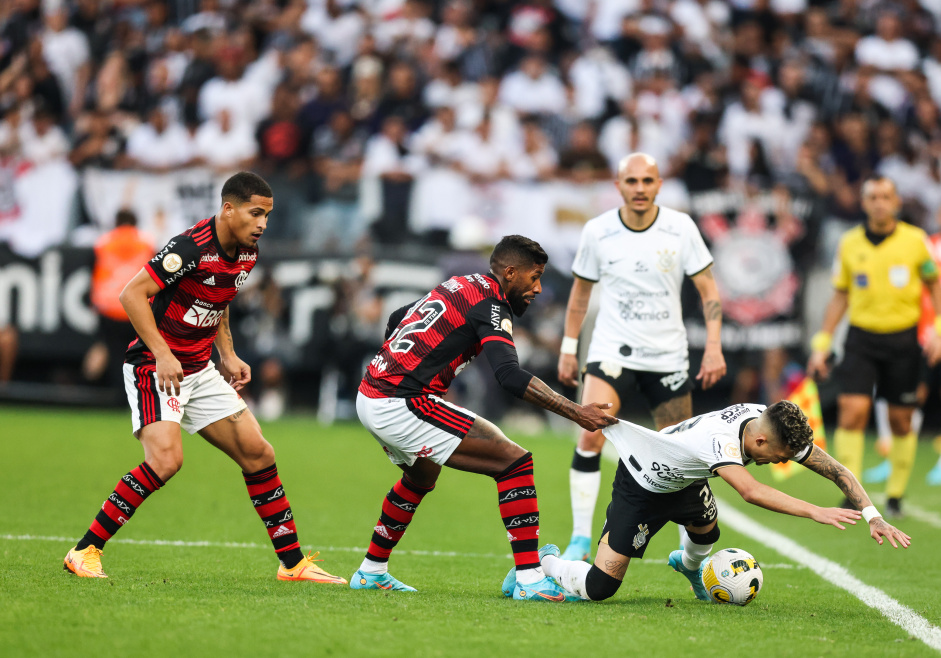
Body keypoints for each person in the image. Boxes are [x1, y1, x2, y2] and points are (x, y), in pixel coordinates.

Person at [63, 172, 346, 585]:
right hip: (154, 367)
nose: (262, 223)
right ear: (228, 209)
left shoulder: (247, 252)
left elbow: (219, 299)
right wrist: (162, 353)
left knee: (259, 453)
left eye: (267, 215)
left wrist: (227, 354)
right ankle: (84, 550)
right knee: (166, 461)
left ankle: (293, 564)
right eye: (255, 213)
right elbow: (130, 294)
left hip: (199, 368)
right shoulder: (189, 247)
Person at [353, 235, 618, 600]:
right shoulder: (491, 304)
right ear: (510, 273)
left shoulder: (460, 284)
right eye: (534, 277)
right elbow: (508, 376)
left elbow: (400, 317)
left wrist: (404, 366)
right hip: (401, 401)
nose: (538, 288)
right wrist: (575, 411)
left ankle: (371, 571)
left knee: (421, 474)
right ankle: (529, 578)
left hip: (373, 391)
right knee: (515, 463)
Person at [503, 400, 910, 603]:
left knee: (706, 529)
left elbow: (835, 468)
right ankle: (545, 562)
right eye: (781, 457)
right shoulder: (720, 442)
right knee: (599, 588)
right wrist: (814, 510)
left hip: (687, 478)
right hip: (643, 483)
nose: (782, 462)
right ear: (762, 442)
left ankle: (690, 566)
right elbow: (750, 491)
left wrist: (872, 515)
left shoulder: (766, 423)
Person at [557, 152, 727, 562]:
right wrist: (568, 346)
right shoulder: (598, 231)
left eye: (647, 181)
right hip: (612, 350)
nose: (639, 188)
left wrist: (715, 346)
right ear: (617, 185)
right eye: (631, 181)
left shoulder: (680, 228)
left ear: (659, 185)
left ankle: (687, 556)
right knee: (590, 431)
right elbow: (580, 295)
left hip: (667, 356)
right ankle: (581, 537)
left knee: (682, 456)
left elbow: (708, 291)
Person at [807, 176, 941, 518]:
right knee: (852, 412)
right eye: (873, 197)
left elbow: (934, 283)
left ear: (896, 202)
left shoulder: (915, 241)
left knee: (901, 420)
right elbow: (840, 295)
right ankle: (852, 492)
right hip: (861, 339)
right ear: (863, 203)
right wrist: (822, 342)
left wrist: (938, 330)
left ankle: (895, 495)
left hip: (903, 340)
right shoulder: (849, 243)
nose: (879, 202)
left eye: (886, 196)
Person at [83, 209, 154, 389]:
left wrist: (92, 299)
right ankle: (135, 391)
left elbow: (92, 272)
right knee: (138, 353)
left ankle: (88, 387)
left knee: (105, 348)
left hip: (108, 306)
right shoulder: (146, 243)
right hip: (136, 307)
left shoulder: (104, 242)